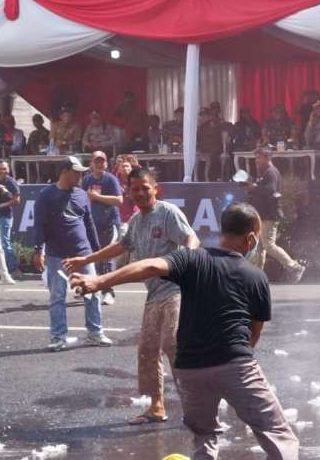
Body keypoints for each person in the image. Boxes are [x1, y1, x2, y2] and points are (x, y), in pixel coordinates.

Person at [70, 203, 320, 460]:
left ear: (222, 231)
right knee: (279, 436)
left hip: (189, 370)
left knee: (205, 435)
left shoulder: (193, 259)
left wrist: (99, 280)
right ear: (250, 239)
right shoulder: (256, 277)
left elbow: (147, 265)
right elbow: (252, 336)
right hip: (235, 364)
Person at [63, 167, 199, 424]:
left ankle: (196, 406)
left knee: (173, 345)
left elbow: (191, 236)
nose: (140, 193)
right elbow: (121, 246)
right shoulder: (136, 221)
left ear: (155, 189)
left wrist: (189, 253)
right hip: (154, 293)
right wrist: (87, 258)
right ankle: (156, 407)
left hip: (176, 290)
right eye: (134, 189)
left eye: (145, 188)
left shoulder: (167, 212)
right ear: (128, 192)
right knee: (147, 350)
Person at [31, 156, 113, 351]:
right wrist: (37, 250)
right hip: (56, 255)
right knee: (57, 296)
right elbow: (39, 225)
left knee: (92, 292)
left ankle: (95, 333)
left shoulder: (81, 194)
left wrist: (97, 251)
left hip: (83, 253)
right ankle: (58, 337)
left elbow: (89, 223)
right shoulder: (46, 195)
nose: (79, 175)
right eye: (76, 172)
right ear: (64, 171)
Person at [246, 149, 305, 282]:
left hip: (269, 215)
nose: (256, 161)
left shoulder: (271, 172)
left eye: (259, 158)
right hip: (261, 216)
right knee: (259, 247)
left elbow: (270, 190)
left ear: (267, 158)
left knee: (268, 245)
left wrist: (254, 187)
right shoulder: (263, 173)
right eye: (255, 158)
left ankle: (295, 267)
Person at [81, 151, 123, 305]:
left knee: (106, 258)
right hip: (92, 224)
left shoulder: (110, 179)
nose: (99, 164)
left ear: (106, 163)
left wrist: (97, 197)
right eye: (96, 161)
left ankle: (108, 291)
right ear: (91, 163)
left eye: (102, 161)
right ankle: (93, 287)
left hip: (109, 223)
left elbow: (119, 200)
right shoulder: (86, 180)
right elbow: (81, 198)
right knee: (93, 257)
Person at [0, 160, 20, 275]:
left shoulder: (11, 182)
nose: (2, 171)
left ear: (8, 170)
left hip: (5, 217)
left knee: (4, 242)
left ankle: (14, 268)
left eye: (4, 168)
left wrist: (2, 205)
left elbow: (17, 200)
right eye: (0, 168)